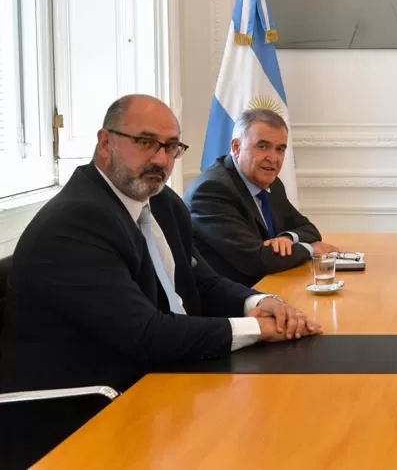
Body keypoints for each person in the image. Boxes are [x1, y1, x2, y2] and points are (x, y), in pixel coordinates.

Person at [0, 95, 320, 468]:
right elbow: (146, 334)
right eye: (145, 142)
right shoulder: (76, 223)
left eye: (171, 147)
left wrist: (260, 301)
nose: (161, 160)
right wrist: (258, 330)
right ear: (105, 143)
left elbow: (202, 282)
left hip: (167, 378)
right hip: (88, 408)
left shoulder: (163, 202)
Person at [184, 109, 336, 287]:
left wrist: (287, 238)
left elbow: (309, 229)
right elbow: (257, 260)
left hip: (270, 286)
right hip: (231, 302)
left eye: (280, 149)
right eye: (262, 146)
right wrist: (311, 249)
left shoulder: (272, 184)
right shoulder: (212, 191)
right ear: (236, 147)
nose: (273, 158)